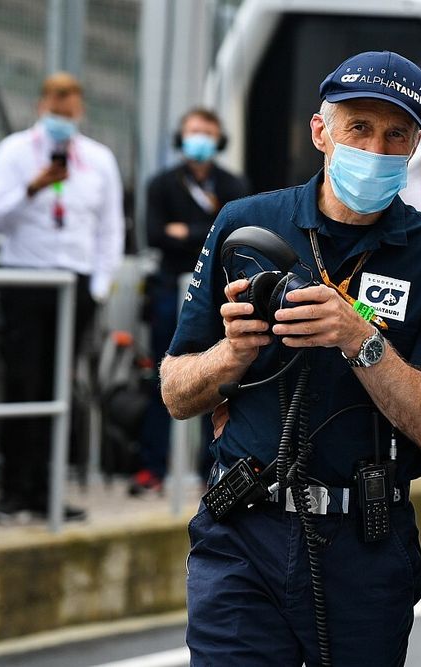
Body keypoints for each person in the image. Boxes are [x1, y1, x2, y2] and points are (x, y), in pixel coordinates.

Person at [160, 51, 421, 666]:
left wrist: (360, 339)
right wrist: (233, 354)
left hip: (364, 544)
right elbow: (174, 389)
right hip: (243, 532)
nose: (376, 148)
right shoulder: (247, 223)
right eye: (359, 127)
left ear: (413, 147)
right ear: (320, 131)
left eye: (395, 134)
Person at [0, 72, 125, 524]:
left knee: (60, 386)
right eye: (56, 109)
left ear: (79, 110)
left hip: (75, 284)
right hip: (26, 278)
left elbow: (110, 227)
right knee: (22, 382)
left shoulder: (98, 159)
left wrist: (98, 286)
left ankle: (47, 490)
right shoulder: (15, 152)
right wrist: (34, 187)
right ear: (41, 106)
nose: (63, 117)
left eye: (70, 109)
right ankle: (12, 489)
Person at [133, 107, 249, 494]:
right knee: (161, 376)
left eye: (207, 132)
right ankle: (152, 467)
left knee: (213, 378)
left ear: (219, 139)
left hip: (215, 293)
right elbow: (154, 234)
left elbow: (237, 233)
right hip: (169, 290)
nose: (199, 139)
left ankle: (211, 469)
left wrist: (186, 231)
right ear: (181, 138)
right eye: (192, 132)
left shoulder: (233, 185)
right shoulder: (162, 184)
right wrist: (204, 232)